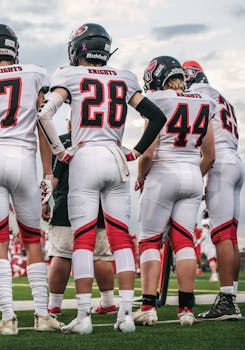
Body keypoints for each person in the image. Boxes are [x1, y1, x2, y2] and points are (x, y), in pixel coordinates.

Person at [36, 23, 167, 334]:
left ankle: (83, 316)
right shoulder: (124, 77)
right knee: (120, 238)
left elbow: (43, 114)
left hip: (85, 157)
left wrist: (60, 151)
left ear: (77, 49)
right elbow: (157, 117)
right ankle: (124, 314)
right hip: (116, 157)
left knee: (82, 240)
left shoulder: (69, 75)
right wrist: (134, 152)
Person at [0, 23, 62, 335]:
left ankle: (8, 318)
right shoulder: (34, 74)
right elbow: (42, 126)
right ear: (12, 48)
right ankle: (42, 314)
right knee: (33, 240)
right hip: (23, 159)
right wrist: (48, 172)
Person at [133, 56, 215, 326]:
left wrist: (141, 176)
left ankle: (148, 305)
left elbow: (148, 152)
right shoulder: (204, 102)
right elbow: (209, 155)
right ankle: (186, 309)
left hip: (162, 174)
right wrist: (192, 176)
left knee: (149, 241)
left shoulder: (158, 100)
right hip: (192, 173)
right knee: (184, 242)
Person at [183, 60, 243, 320]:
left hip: (219, 163)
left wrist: (193, 176)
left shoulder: (200, 96)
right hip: (236, 162)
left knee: (221, 236)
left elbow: (205, 145)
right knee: (230, 235)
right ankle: (230, 296)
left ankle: (228, 302)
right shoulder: (222, 97)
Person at [43, 117, 117, 317]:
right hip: (99, 204)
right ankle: (108, 302)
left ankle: (54, 304)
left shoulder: (64, 140)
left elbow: (54, 178)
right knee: (101, 254)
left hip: (67, 203)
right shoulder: (104, 143)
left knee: (62, 253)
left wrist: (44, 201)